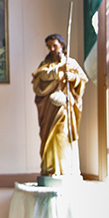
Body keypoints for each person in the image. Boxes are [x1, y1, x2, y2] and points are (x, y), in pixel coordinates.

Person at [31, 33, 88, 177]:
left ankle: (64, 169)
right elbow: (40, 77)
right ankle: (50, 168)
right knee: (48, 137)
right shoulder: (46, 64)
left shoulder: (71, 63)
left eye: (55, 45)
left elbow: (81, 81)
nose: (52, 49)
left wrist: (73, 77)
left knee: (62, 134)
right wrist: (58, 71)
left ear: (62, 45)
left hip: (65, 107)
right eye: (49, 46)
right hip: (49, 108)